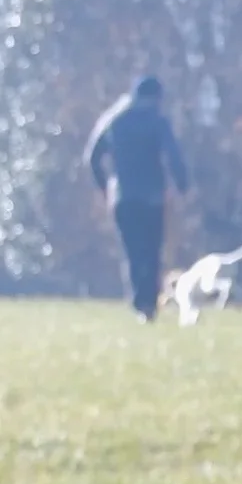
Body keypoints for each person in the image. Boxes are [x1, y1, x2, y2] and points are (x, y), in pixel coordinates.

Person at [84, 76, 187, 318]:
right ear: (156, 98)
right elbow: (173, 156)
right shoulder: (157, 121)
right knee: (152, 251)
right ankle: (149, 305)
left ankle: (139, 302)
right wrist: (182, 185)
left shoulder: (114, 119)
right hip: (152, 196)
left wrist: (104, 186)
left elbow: (92, 157)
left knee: (132, 251)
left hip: (123, 196)